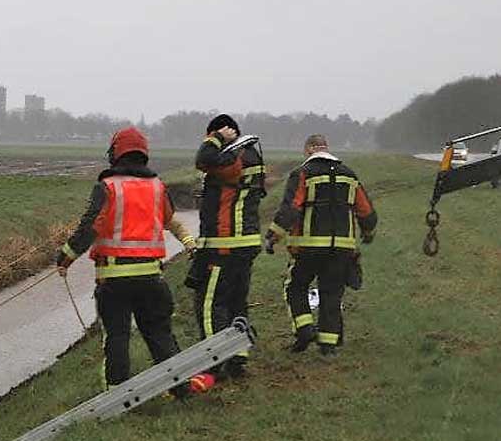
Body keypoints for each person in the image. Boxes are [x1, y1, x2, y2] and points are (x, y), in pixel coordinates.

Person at [56, 126, 197, 394]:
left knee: (117, 338)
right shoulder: (158, 187)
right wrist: (189, 243)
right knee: (160, 333)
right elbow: (170, 220)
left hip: (114, 281)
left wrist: (65, 258)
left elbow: (89, 227)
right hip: (153, 279)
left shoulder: (107, 187)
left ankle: (117, 396)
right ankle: (180, 388)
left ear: (115, 154)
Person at [266, 134, 378, 356]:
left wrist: (272, 236)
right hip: (342, 249)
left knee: (295, 287)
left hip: (308, 247)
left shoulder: (302, 173)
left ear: (308, 150)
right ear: (327, 148)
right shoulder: (349, 175)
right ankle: (328, 346)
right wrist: (368, 233)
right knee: (332, 293)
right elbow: (366, 211)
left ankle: (304, 329)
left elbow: (291, 208)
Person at [189, 113, 267, 378]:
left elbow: (203, 159)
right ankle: (238, 358)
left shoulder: (233, 157)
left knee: (211, 304)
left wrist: (216, 139)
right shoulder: (251, 156)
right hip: (245, 244)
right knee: (237, 302)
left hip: (225, 245)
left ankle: (214, 362)